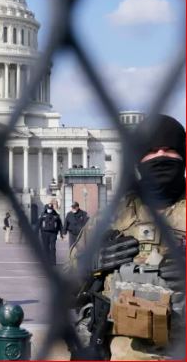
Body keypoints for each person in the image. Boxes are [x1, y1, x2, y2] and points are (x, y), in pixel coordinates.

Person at [69, 114, 186, 360]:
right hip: (121, 350)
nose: (161, 156)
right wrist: (91, 266)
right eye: (151, 151)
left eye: (170, 150)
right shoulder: (111, 218)